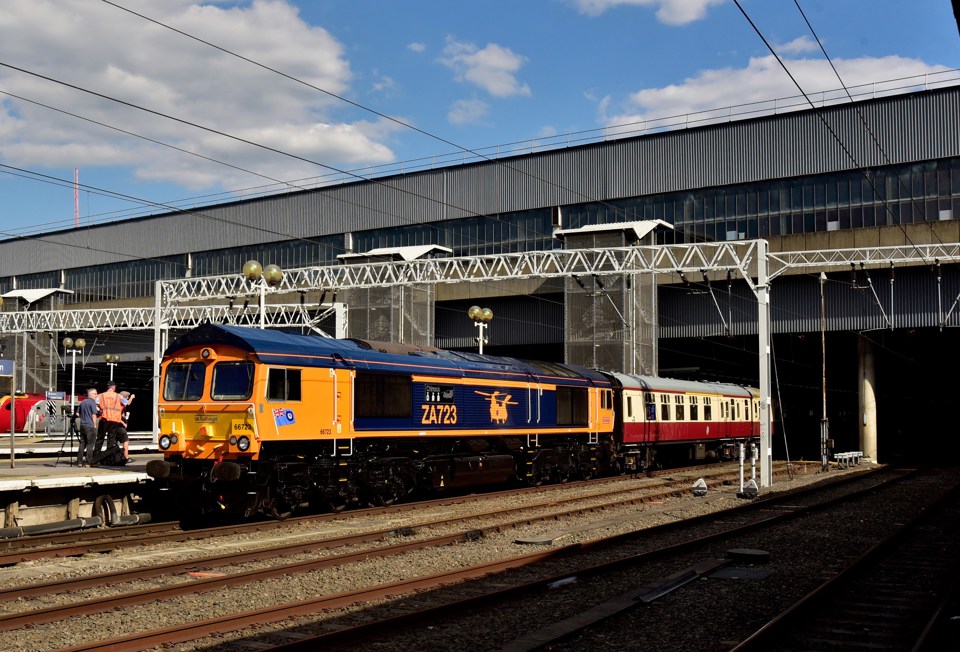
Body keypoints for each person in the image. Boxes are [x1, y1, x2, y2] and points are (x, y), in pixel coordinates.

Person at [96, 381, 134, 464]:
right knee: (111, 440)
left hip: (104, 419)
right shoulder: (119, 396)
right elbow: (126, 403)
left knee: (100, 439)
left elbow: (95, 404)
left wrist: (99, 411)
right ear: (114, 387)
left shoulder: (101, 395)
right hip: (114, 421)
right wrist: (131, 398)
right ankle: (109, 459)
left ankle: (96, 459)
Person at [77, 388, 100, 467]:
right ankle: (88, 462)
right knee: (90, 444)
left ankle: (79, 462)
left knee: (82, 443)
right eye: (95, 394)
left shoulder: (82, 402)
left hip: (82, 425)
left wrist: (84, 417)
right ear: (90, 394)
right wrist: (94, 425)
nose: (96, 395)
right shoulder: (93, 403)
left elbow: (77, 414)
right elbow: (94, 415)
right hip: (90, 426)